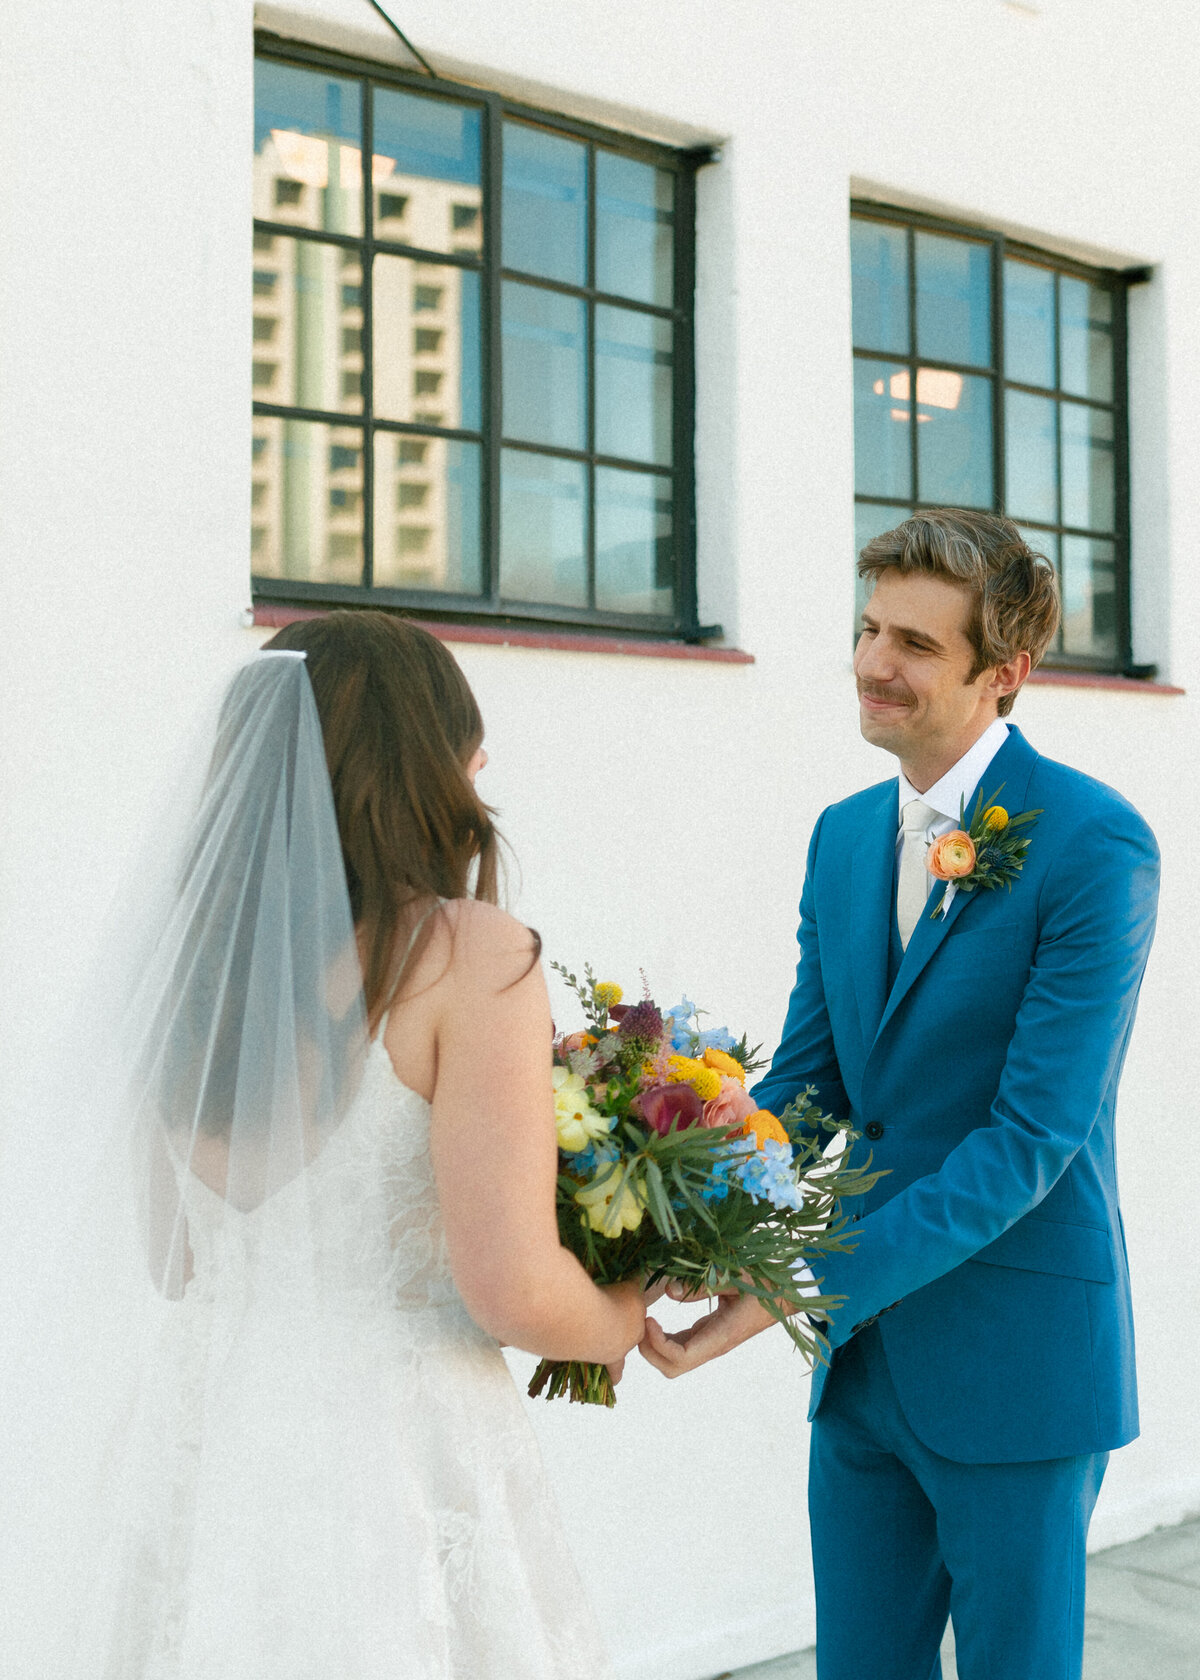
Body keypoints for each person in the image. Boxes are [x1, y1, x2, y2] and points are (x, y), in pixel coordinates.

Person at [0, 611, 646, 1679]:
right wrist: (618, 1316)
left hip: (201, 1435)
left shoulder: (185, 967)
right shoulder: (466, 951)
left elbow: (177, 1263)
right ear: (412, 764)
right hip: (394, 1448)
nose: (481, 765)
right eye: (462, 741)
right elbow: (514, 1290)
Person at [640, 510, 1159, 1680]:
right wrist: (677, 1210)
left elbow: (1030, 1140)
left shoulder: (1094, 843)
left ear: (1005, 673)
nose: (875, 662)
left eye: (917, 644)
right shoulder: (841, 837)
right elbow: (812, 1090)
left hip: (1019, 1367)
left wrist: (790, 1287)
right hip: (862, 1366)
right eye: (871, 628)